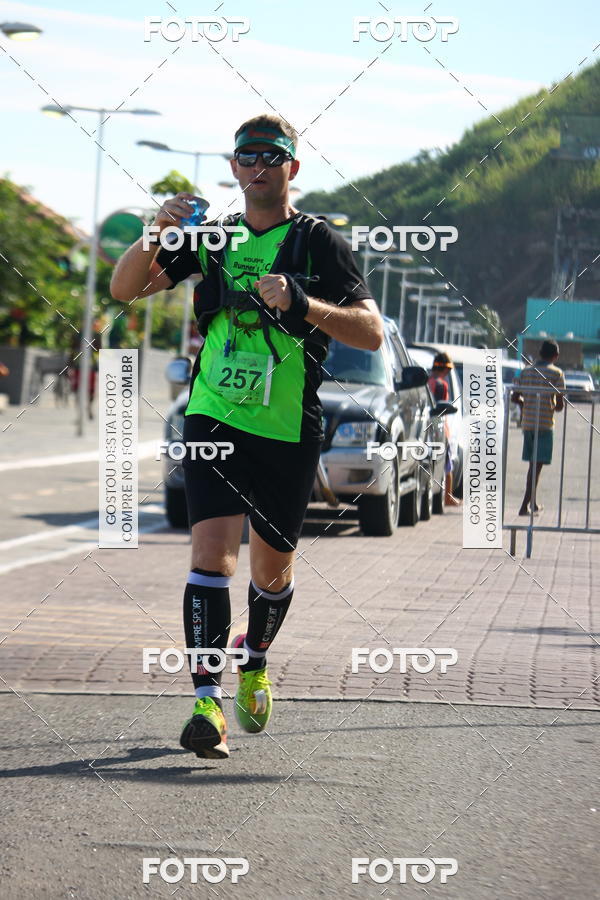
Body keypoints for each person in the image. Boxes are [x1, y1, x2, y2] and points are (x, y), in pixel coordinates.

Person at [110, 114, 383, 759]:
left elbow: (370, 332)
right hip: (214, 418)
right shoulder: (214, 237)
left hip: (286, 429)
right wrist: (156, 232)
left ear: (292, 167)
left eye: (270, 156)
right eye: (246, 157)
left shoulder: (318, 243)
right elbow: (125, 289)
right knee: (211, 558)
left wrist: (303, 304)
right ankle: (206, 700)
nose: (257, 167)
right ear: (234, 168)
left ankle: (254, 659)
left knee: (271, 571)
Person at [512, 340, 566, 516]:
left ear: (540, 352)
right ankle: (524, 506)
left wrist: (526, 403)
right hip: (544, 424)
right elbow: (559, 406)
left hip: (528, 424)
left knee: (532, 465)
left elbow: (515, 397)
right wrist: (549, 403)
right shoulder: (557, 373)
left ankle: (533, 503)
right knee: (536, 467)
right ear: (555, 356)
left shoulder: (526, 371)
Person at [428, 352, 460, 506]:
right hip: (440, 429)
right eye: (448, 371)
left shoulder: (426, 382)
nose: (448, 374)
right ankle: (448, 497)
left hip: (425, 429)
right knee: (448, 465)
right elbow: (442, 408)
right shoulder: (441, 385)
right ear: (444, 369)